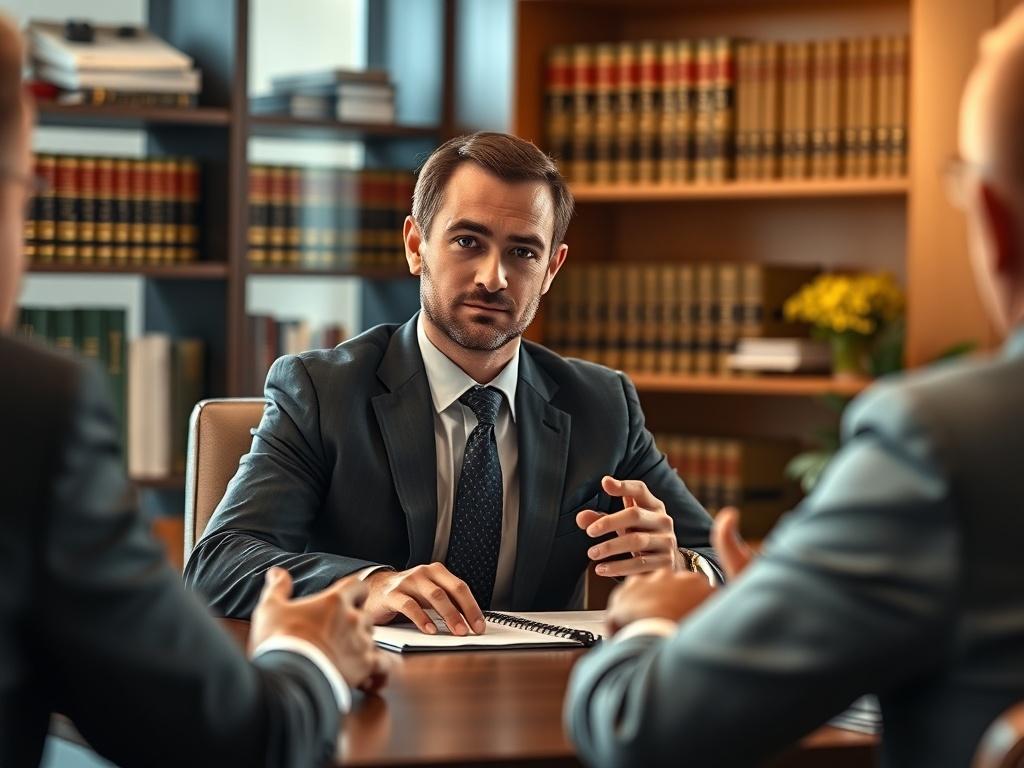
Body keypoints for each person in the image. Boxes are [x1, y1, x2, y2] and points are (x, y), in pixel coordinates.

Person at [564, 8, 1024, 767]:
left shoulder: (943, 446)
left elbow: (639, 731)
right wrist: (794, 609)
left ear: (993, 220)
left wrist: (654, 621)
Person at [0, 17, 389, 768]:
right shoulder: (30, 411)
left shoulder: (597, 398)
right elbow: (222, 739)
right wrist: (305, 655)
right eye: (27, 185)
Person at [184, 131, 721, 636]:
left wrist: (678, 562)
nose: (494, 278)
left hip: (532, 698)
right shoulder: (322, 391)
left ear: (552, 268)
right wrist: (370, 586)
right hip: (370, 691)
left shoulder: (601, 405)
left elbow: (720, 559)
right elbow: (220, 561)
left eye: (523, 252)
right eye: (468, 241)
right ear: (416, 245)